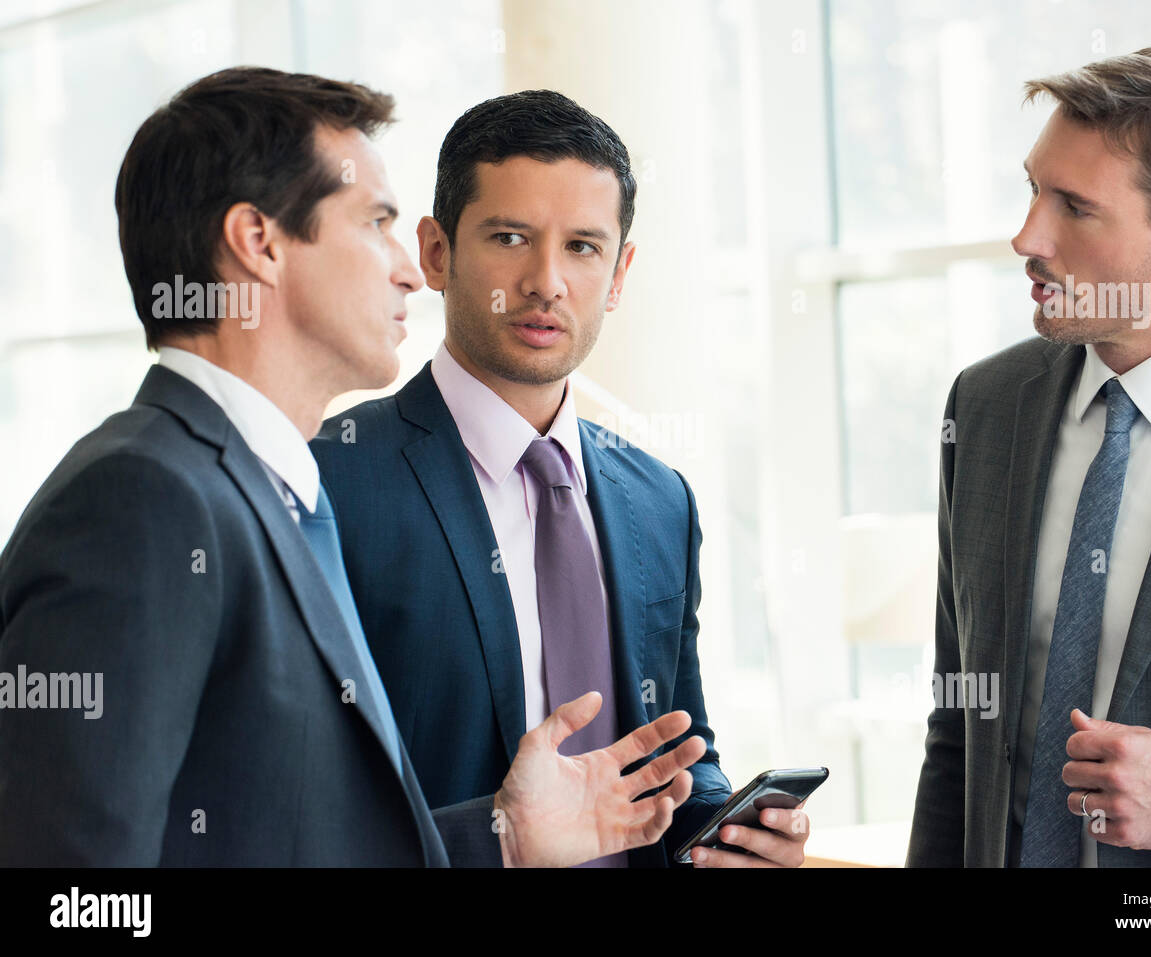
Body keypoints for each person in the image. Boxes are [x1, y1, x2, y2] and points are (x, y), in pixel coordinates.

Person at [0, 66, 705, 867]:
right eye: (375, 223)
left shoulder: (278, 493)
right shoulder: (140, 499)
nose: (407, 269)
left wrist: (503, 838)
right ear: (259, 244)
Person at [311, 90, 810, 868]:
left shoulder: (660, 499)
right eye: (510, 237)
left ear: (619, 272)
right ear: (437, 253)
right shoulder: (328, 481)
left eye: (582, 246)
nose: (546, 281)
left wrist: (732, 830)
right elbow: (293, 807)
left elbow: (681, 749)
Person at [907, 46, 1151, 867]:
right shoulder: (982, 408)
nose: (1026, 237)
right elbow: (956, 734)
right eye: (1032, 190)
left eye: (1075, 209)